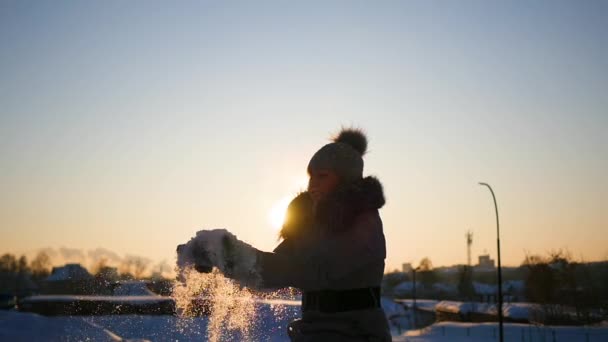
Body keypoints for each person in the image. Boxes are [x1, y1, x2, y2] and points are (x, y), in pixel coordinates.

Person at [193, 128, 391, 341]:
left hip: (357, 334)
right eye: (311, 176)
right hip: (313, 333)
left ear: (345, 179)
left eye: (322, 176)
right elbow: (274, 269)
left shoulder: (364, 222)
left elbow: (314, 272)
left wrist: (238, 256)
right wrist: (222, 256)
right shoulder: (309, 225)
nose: (313, 184)